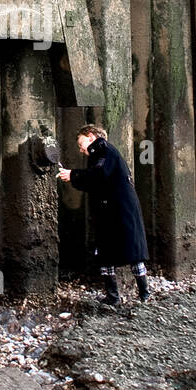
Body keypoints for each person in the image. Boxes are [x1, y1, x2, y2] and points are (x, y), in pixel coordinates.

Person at [57, 124, 150, 305]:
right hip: (113, 209)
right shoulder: (100, 152)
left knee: (131, 252)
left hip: (121, 209)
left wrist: (73, 175)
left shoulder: (104, 150)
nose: (80, 149)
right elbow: (95, 181)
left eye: (80, 143)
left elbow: (98, 175)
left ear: (90, 136)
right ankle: (117, 296)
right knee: (109, 253)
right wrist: (73, 176)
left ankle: (142, 294)